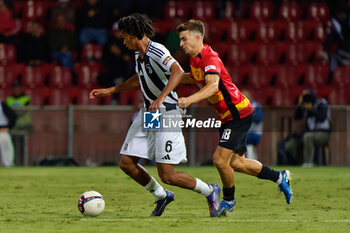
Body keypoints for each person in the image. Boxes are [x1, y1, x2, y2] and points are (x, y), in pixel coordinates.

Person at [89, 13, 221, 217]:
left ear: (134, 35)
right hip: (150, 113)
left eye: (125, 36)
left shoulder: (157, 50)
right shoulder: (138, 54)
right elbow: (139, 78)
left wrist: (161, 98)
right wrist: (111, 90)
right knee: (127, 163)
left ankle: (210, 191)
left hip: (167, 112)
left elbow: (177, 71)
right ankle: (162, 196)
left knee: (167, 175)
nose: (123, 41)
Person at [175, 20, 292, 216]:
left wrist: (189, 99)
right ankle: (280, 177)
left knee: (220, 161)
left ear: (198, 37)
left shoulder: (210, 58)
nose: (181, 44)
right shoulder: (195, 60)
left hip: (238, 113)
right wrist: (170, 77)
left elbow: (212, 86)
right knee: (236, 163)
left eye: (184, 39)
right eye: (180, 40)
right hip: (227, 116)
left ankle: (229, 200)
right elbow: (194, 77)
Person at [285, 89, 331, 167]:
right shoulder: (305, 106)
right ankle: (301, 162)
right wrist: (299, 105)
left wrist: (312, 109)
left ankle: (308, 163)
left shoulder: (321, 103)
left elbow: (321, 117)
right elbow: (296, 117)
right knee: (290, 145)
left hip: (323, 133)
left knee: (308, 137)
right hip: (309, 133)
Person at [241, 90, 264, 160]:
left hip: (254, 134)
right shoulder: (240, 106)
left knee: (241, 139)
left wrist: (248, 112)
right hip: (244, 133)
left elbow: (258, 118)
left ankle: (250, 160)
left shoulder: (256, 106)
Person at [0, 98, 17, 167]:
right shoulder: (2, 105)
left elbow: (13, 116)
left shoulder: (2, 105)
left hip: (2, 132)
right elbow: (13, 116)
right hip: (3, 131)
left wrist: (9, 126)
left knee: (6, 155)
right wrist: (9, 126)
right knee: (6, 158)